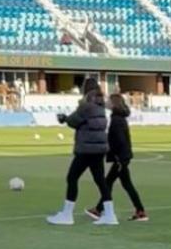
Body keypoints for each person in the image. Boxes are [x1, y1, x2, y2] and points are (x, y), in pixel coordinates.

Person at [46, 77, 114, 225]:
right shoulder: (101, 105)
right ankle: (110, 215)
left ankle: (67, 214)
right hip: (99, 148)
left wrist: (64, 118)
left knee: (72, 178)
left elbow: (73, 120)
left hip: (86, 148)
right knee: (100, 181)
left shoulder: (86, 105)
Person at [88, 93, 148, 222]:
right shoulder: (119, 118)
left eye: (109, 101)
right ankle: (140, 210)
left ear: (114, 104)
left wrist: (112, 151)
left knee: (109, 183)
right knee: (123, 184)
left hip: (120, 158)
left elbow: (119, 141)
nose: (107, 103)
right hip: (122, 157)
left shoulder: (116, 119)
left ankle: (99, 210)